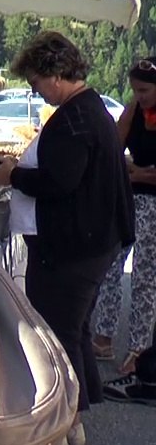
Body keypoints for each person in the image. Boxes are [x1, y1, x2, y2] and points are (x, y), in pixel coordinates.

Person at [0, 32, 134, 445]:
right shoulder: (88, 110)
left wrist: (11, 174)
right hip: (92, 239)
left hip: (75, 243)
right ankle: (77, 409)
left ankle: (63, 420)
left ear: (55, 74)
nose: (37, 91)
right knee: (73, 326)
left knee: (56, 329)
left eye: (36, 82)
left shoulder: (75, 119)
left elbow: (58, 181)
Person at [92, 58, 156, 381]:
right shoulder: (136, 112)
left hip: (153, 205)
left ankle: (139, 350)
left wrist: (137, 173)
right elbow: (115, 147)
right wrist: (131, 109)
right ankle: (102, 336)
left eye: (144, 90)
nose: (139, 95)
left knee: (145, 278)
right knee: (110, 266)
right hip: (130, 199)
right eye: (135, 90)